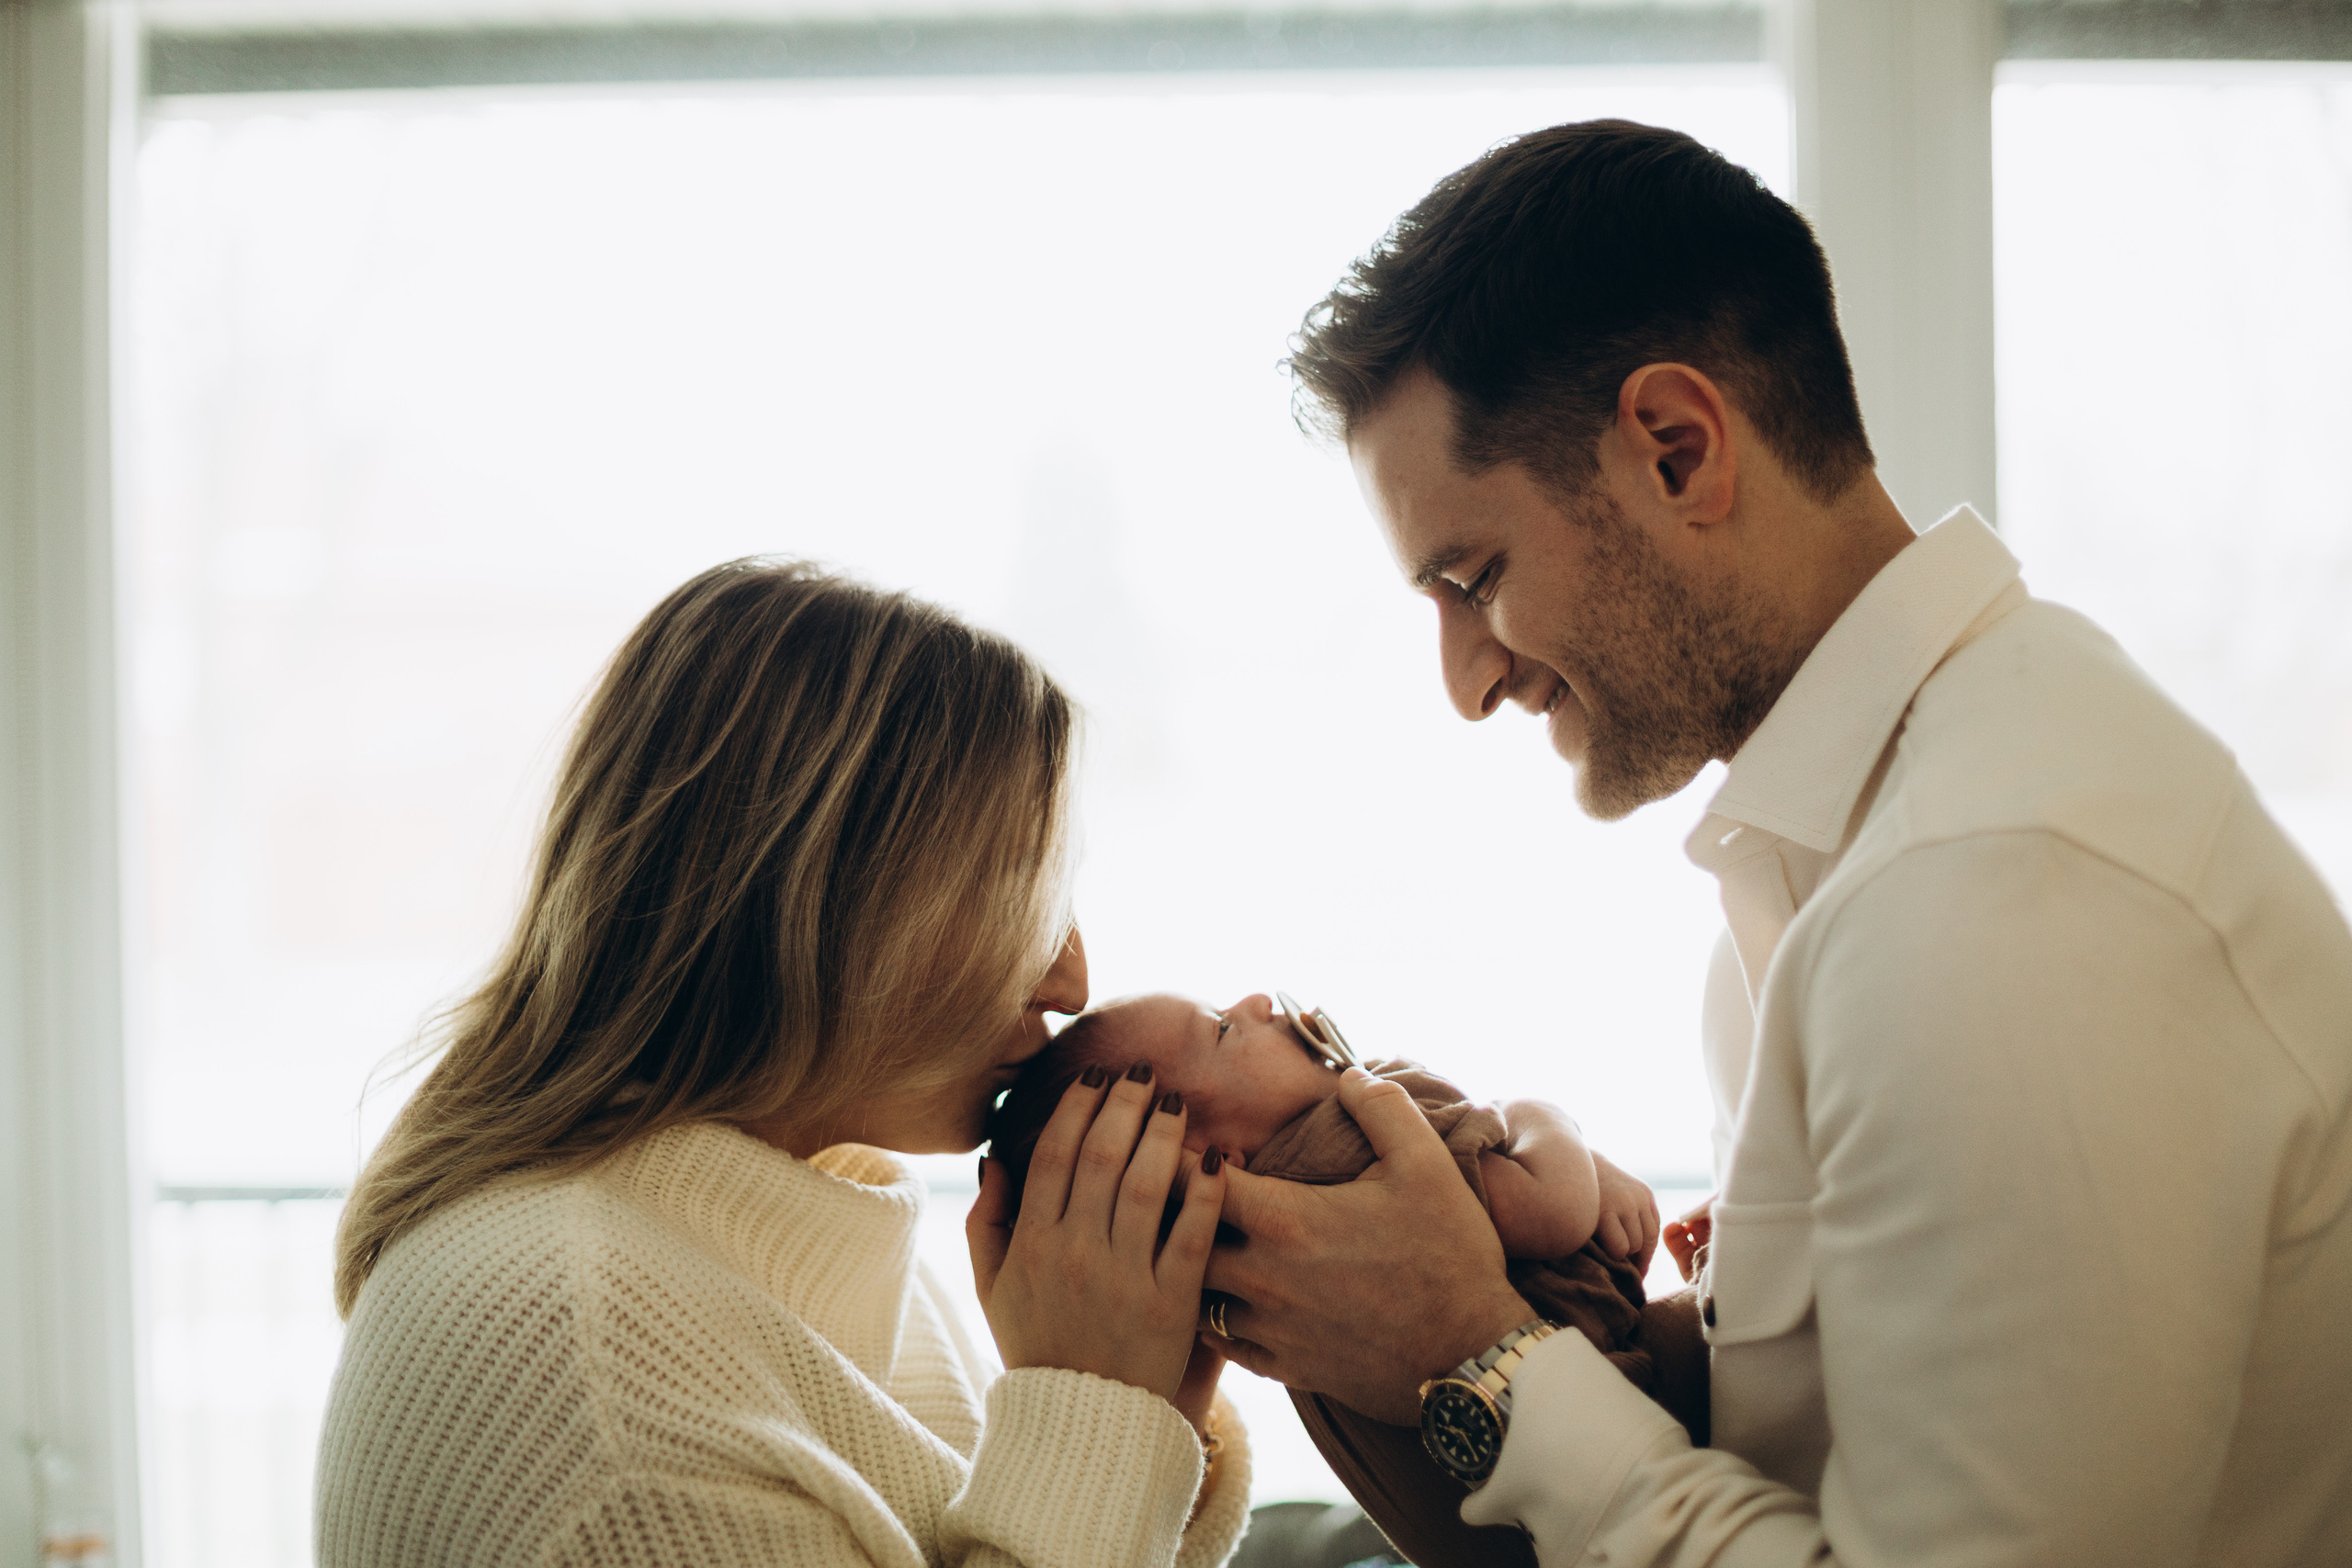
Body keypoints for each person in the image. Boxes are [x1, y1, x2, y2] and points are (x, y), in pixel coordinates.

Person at [1193, 118, 2352, 1567]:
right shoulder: (1836, 873)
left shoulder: (1996, 902)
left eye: (1475, 577)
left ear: (1678, 450)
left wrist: (1473, 1351)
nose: (1468, 681)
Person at [315, 560, 1252, 1568]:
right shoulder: (589, 1373)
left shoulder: (814, 1237)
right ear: (831, 897)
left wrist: (1148, 1407)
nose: (1070, 982)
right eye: (1026, 895)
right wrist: (1093, 1409)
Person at [985, 991, 1707, 1568]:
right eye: (1221, 1028)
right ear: (1205, 1153)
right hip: (1645, 1419)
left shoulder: (1236, 1292)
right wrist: (1544, 1117)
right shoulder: (1351, 1139)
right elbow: (1552, 1206)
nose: (1259, 1002)